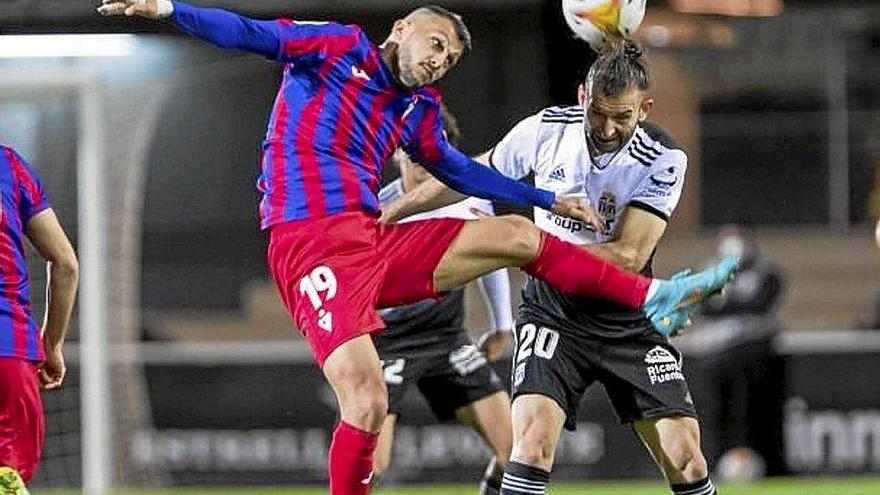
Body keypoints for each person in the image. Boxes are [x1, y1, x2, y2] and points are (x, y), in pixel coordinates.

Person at [98, 2, 737, 493]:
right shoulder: (335, 45)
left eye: (451, 58)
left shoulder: (417, 111)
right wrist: (169, 11)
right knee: (369, 401)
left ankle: (653, 294)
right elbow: (251, 33)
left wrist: (541, 202)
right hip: (309, 243)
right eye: (436, 43)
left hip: (371, 241)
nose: (440, 60)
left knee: (517, 237)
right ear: (402, 29)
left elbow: (461, 173)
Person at [385, 40, 723, 495]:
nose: (606, 128)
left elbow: (628, 256)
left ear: (644, 109)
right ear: (582, 96)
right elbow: (468, 175)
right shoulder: (544, 131)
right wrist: (388, 213)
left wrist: (533, 251)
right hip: (554, 316)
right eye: (597, 113)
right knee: (531, 443)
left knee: (686, 456)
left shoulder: (664, 159)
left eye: (621, 117)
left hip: (628, 320)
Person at [373, 106, 513, 494]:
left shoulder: (466, 198)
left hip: (448, 337)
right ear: (398, 151)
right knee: (372, 467)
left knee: (515, 453)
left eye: (432, 148)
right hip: (387, 343)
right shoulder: (375, 208)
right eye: (412, 149)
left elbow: (492, 257)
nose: (421, 159)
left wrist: (502, 325)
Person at [0, 146, 79, 495]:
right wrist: (52, 345)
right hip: (9, 351)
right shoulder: (9, 166)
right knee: (6, 479)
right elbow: (66, 264)